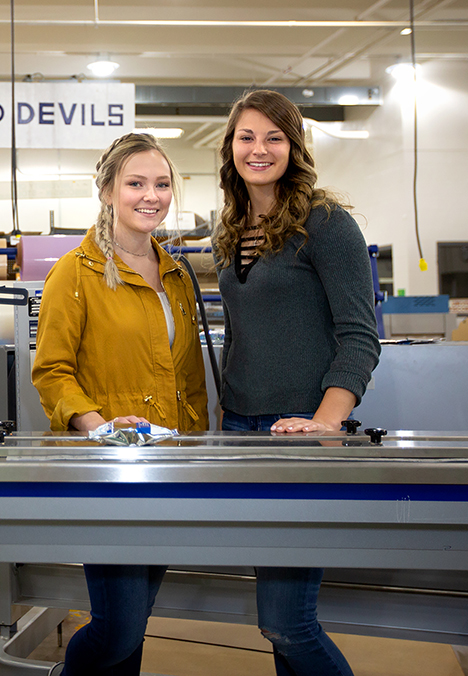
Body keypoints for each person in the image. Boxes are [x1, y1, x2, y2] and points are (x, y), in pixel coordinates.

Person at [213, 89, 381, 676]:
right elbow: (239, 334)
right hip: (243, 431)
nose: (259, 150)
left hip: (302, 434)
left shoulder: (325, 222)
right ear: (230, 147)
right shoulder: (231, 229)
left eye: (273, 137)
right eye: (246, 137)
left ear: (294, 146)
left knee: (286, 620)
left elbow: (361, 335)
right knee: (278, 621)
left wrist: (326, 422)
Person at [32, 132, 209, 675]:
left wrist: (200, 445)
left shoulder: (177, 276)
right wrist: (98, 426)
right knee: (118, 627)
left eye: (161, 184)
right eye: (136, 183)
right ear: (107, 190)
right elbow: (52, 370)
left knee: (136, 622)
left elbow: (188, 375)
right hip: (109, 469)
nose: (150, 195)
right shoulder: (75, 273)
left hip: (170, 463)